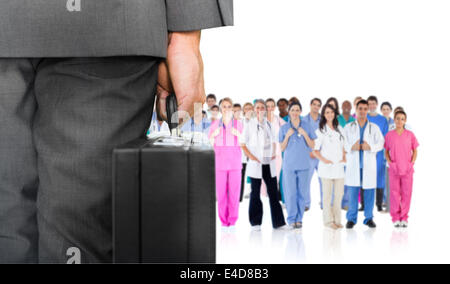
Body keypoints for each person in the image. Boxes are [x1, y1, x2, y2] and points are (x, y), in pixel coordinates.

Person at [0, 0, 234, 264]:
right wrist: (185, 34)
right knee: (77, 233)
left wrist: (185, 36)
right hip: (109, 25)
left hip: (104, 32)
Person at [242, 100, 286, 231]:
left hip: (268, 163)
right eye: (258, 108)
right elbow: (242, 144)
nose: (260, 110)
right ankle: (255, 223)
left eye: (262, 108)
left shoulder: (269, 124)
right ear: (254, 110)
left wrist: (273, 153)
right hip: (256, 163)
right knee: (255, 193)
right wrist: (252, 157)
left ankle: (279, 223)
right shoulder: (249, 125)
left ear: (265, 110)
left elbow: (274, 140)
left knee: (273, 193)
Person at [344, 100, 384, 229]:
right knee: (353, 193)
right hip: (354, 165)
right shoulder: (349, 127)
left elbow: (381, 143)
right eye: (360, 108)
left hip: (368, 165)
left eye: (365, 109)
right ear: (356, 109)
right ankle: (351, 219)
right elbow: (343, 144)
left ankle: (368, 218)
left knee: (369, 192)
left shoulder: (374, 127)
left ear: (368, 110)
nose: (362, 111)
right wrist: (352, 146)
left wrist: (370, 146)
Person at [279, 102, 316, 229]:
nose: (295, 112)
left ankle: (299, 219)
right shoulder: (284, 128)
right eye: (292, 110)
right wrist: (287, 136)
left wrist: (305, 134)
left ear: (300, 112)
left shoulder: (307, 126)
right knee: (290, 193)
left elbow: (312, 145)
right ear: (289, 111)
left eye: (297, 110)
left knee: (302, 193)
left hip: (304, 165)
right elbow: (281, 148)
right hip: (289, 165)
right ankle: (291, 219)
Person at [209, 98, 243, 231]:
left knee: (234, 194)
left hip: (235, 164)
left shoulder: (238, 124)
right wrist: (213, 136)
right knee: (221, 195)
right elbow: (209, 145)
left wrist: (239, 136)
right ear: (220, 109)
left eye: (229, 106)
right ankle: (223, 222)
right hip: (220, 164)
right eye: (224, 106)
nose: (227, 109)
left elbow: (245, 144)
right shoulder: (215, 125)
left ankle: (232, 221)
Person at [313, 104, 346, 230]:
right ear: (324, 115)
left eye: (332, 112)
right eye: (327, 112)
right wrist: (324, 160)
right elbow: (315, 150)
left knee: (338, 195)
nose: (330, 115)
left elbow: (344, 145)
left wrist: (344, 157)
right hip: (326, 169)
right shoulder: (320, 131)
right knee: (326, 197)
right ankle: (328, 221)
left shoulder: (340, 129)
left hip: (338, 167)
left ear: (335, 113)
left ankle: (337, 220)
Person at [385, 111, 419, 228]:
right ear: (394, 120)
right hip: (394, 169)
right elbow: (386, 151)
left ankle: (404, 217)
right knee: (394, 194)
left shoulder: (410, 135)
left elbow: (415, 150)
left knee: (406, 193)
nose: (400, 121)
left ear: (405, 121)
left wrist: (412, 163)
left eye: (402, 119)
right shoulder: (389, 135)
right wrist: (390, 163)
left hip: (407, 169)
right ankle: (395, 217)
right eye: (398, 118)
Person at [367, 96, 389, 212]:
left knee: (379, 177)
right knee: (366, 177)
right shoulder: (364, 117)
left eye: (373, 104)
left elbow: (385, 137)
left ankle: (379, 203)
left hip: (379, 153)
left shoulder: (382, 120)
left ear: (376, 105)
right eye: (369, 104)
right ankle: (365, 204)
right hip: (366, 152)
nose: (371, 106)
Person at [303, 98, 322, 210]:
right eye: (314, 104)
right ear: (310, 105)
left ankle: (325, 204)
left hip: (321, 155)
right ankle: (306, 203)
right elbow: (302, 138)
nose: (316, 107)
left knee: (324, 180)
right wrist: (309, 152)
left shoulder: (323, 119)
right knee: (306, 180)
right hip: (309, 155)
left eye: (318, 105)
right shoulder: (304, 120)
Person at [266, 98, 286, 201]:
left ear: (274, 107)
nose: (269, 108)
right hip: (264, 154)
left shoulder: (279, 120)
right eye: (267, 106)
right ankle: (266, 198)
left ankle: (274, 199)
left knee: (276, 177)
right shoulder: (261, 119)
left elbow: (288, 130)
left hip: (277, 153)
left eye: (271, 106)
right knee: (264, 179)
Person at [337, 101, 355, 210]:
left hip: (350, 154)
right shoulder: (337, 119)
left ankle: (347, 202)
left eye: (348, 106)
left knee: (348, 179)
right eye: (345, 105)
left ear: (351, 107)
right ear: (341, 107)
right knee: (339, 179)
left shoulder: (354, 121)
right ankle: (338, 202)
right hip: (338, 154)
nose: (347, 107)